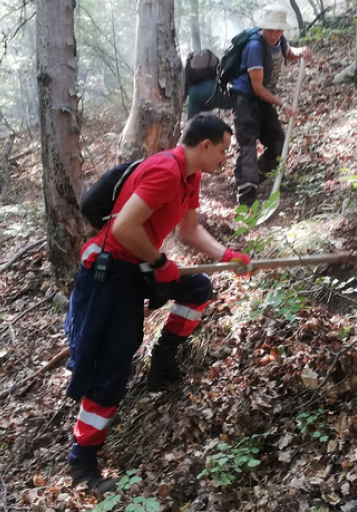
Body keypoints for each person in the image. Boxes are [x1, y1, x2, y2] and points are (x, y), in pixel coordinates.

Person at [63, 113, 251, 495]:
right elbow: (122, 229)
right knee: (111, 369)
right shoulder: (166, 171)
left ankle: (162, 364)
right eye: (223, 151)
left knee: (197, 288)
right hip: (111, 272)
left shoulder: (191, 176)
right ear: (204, 146)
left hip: (140, 265)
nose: (224, 159)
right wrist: (161, 263)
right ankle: (82, 462)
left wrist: (227, 253)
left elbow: (189, 229)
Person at [230, 5, 312, 206]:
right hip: (246, 100)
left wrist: (300, 52)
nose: (275, 34)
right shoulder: (254, 47)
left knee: (278, 141)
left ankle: (260, 174)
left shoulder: (279, 39)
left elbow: (288, 53)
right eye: (271, 30)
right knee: (248, 144)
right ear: (264, 28)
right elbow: (257, 87)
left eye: (279, 30)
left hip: (263, 100)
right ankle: (247, 197)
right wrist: (283, 104)